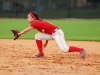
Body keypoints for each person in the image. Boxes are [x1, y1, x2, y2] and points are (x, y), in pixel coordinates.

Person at [17, 11, 86, 58]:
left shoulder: (35, 22)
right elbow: (46, 31)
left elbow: (27, 30)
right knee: (37, 36)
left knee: (65, 49)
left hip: (57, 33)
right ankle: (40, 53)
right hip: (52, 34)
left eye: (28, 17)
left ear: (33, 18)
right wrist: (47, 41)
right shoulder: (37, 23)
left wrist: (19, 34)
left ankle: (81, 49)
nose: (27, 19)